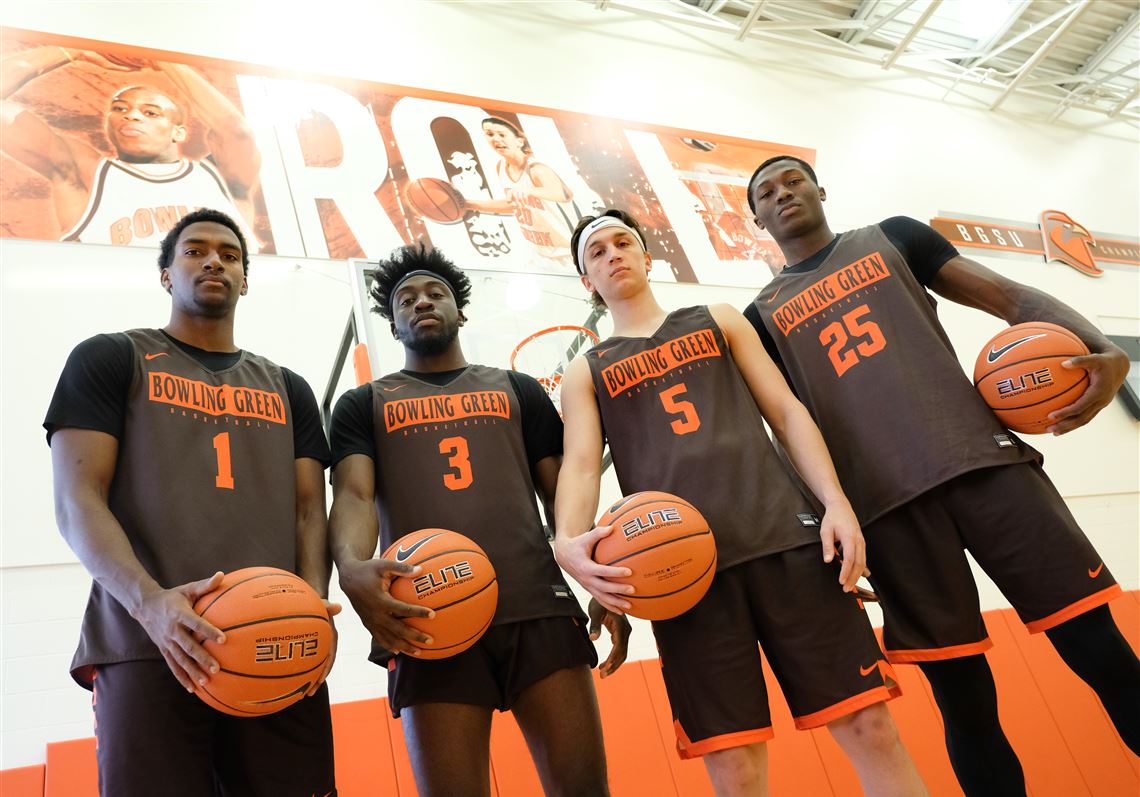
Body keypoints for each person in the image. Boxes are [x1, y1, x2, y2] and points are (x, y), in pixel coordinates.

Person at [744, 155, 1140, 797]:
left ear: (821, 190)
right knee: (966, 705)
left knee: (1098, 650)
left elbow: (1009, 297)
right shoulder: (758, 318)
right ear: (756, 218)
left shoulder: (894, 237)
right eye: (767, 192)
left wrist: (1103, 344)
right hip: (887, 514)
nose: (783, 193)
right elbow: (785, 432)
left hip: (984, 465)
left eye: (794, 180)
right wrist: (827, 529)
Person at [554, 209, 929, 797]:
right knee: (734, 766)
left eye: (623, 242)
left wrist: (837, 503)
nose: (612, 255)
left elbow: (785, 411)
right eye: (596, 253)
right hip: (680, 578)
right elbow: (580, 464)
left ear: (648, 258)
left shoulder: (719, 319)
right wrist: (569, 546)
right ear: (587, 284)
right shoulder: (585, 369)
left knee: (870, 725)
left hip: (788, 541)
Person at [44, 208, 337, 796]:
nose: (213, 262)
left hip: (273, 638)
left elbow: (311, 511)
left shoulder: (288, 387)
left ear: (246, 281)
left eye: (230, 256)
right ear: (166, 274)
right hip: (146, 639)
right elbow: (78, 500)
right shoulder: (110, 357)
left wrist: (312, 608)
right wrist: (150, 604)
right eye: (195, 251)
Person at [328, 242, 627, 797]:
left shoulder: (519, 391)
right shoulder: (362, 404)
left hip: (537, 605)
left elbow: (567, 499)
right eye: (406, 299)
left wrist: (603, 577)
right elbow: (353, 494)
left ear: (460, 311)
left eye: (435, 292)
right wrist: (349, 564)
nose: (422, 302)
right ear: (391, 326)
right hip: (425, 617)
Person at [2, 46, 260, 247]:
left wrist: (162, 59)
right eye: (120, 109)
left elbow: (236, 130)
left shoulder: (220, 176)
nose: (131, 116)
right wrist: (70, 51)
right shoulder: (86, 173)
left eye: (151, 112)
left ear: (178, 131)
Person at [461, 116, 589, 271]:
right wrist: (467, 204)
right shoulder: (501, 167)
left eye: (502, 134)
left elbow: (562, 194)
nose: (496, 139)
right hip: (538, 255)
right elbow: (514, 205)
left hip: (566, 255)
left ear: (519, 141)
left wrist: (528, 190)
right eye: (489, 134)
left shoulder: (536, 169)